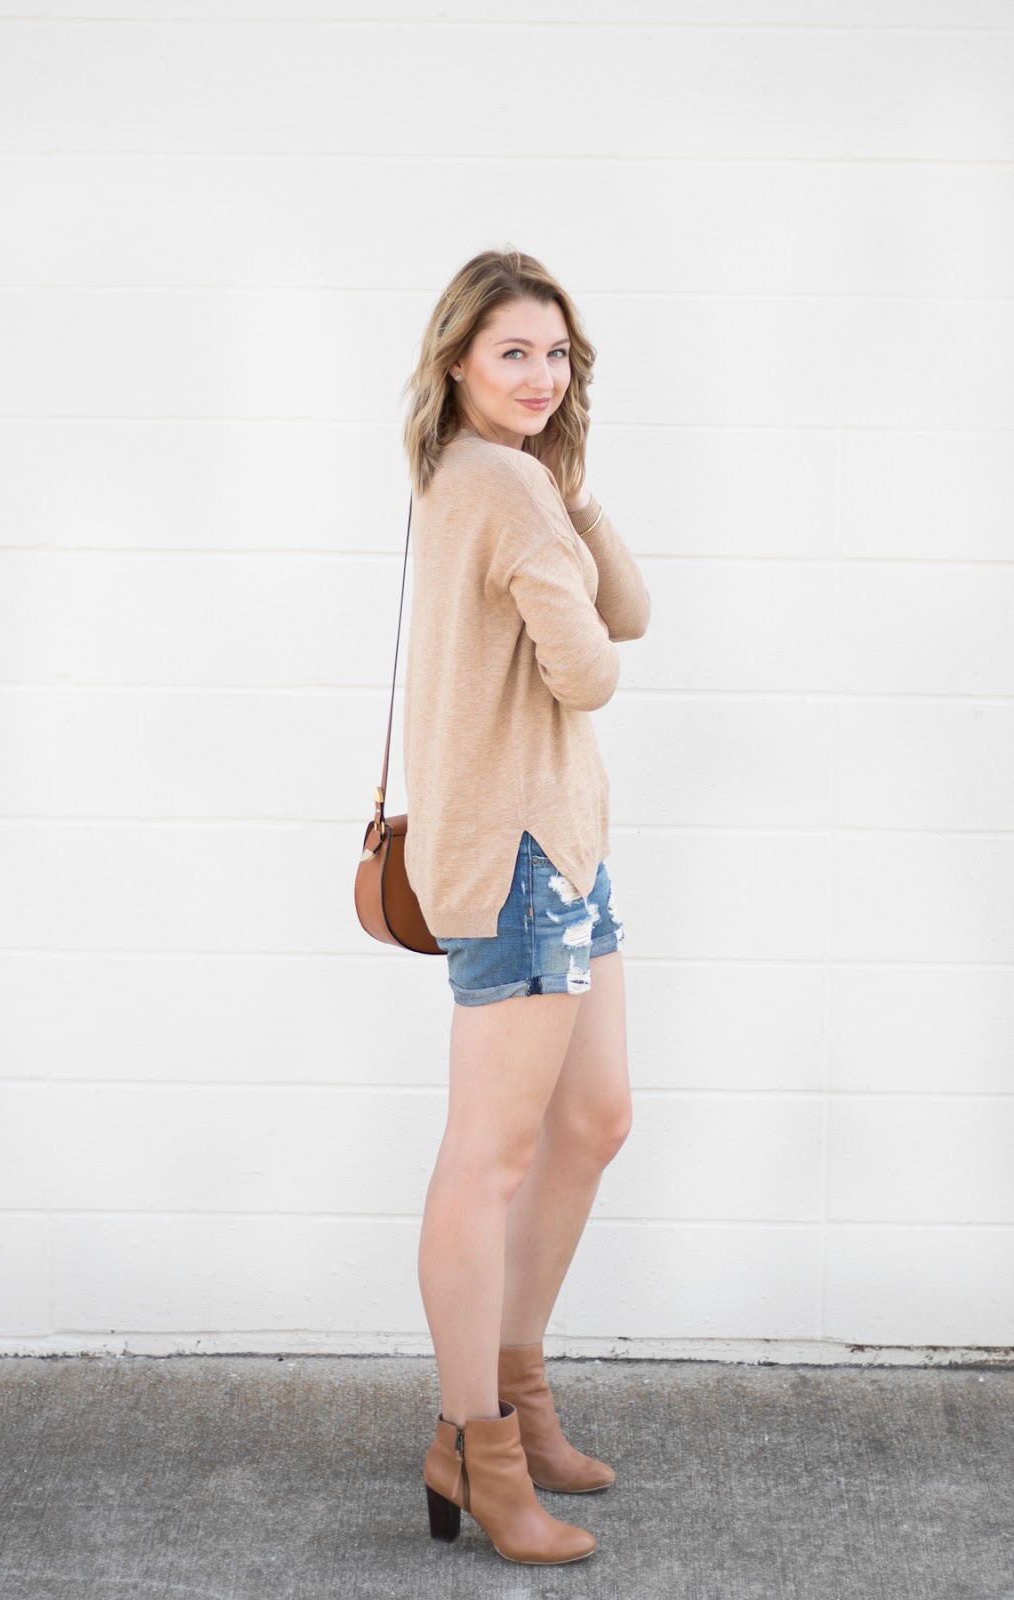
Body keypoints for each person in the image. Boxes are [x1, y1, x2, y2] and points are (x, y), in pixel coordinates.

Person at [400, 249, 651, 1566]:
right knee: (489, 1156)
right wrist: (551, 509)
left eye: (556, 353)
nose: (542, 374)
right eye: (514, 352)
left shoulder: (500, 475)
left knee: (596, 1119)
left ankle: (520, 1390)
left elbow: (632, 612)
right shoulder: (497, 487)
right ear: (458, 362)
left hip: (563, 847)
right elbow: (594, 669)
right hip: (519, 856)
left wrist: (577, 491)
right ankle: (474, 1443)